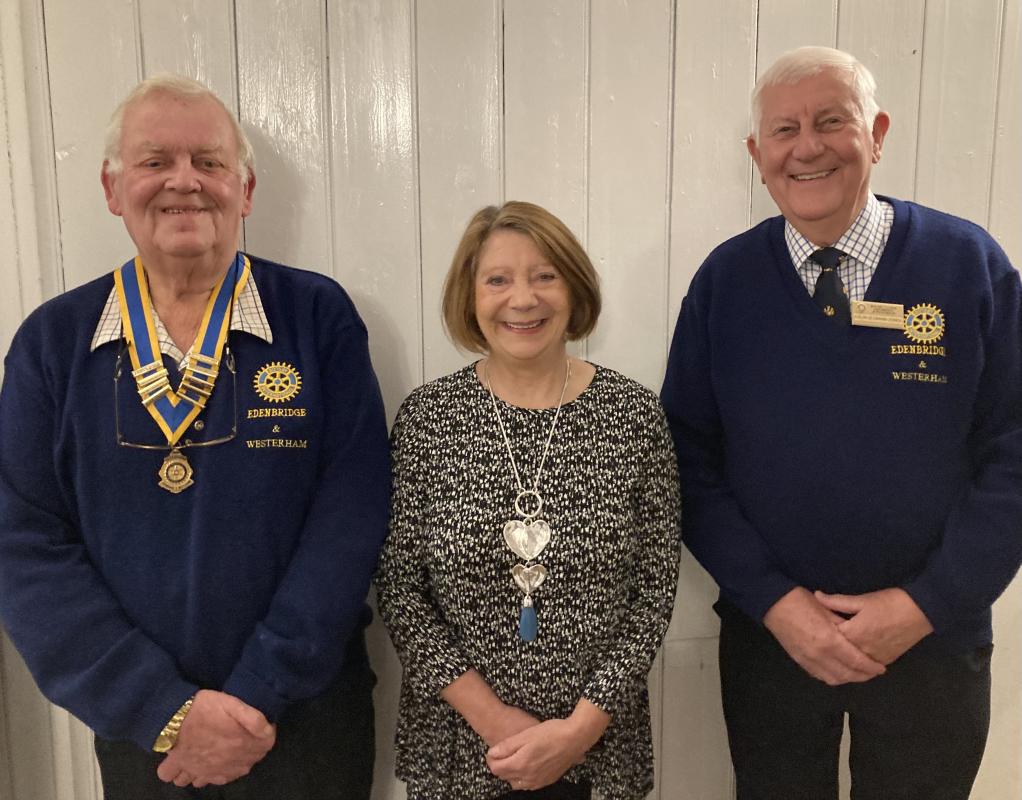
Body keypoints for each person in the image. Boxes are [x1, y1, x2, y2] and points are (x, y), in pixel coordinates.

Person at [0, 74, 390, 798]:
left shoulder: (315, 317)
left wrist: (256, 694)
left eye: (209, 162)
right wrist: (164, 709)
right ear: (113, 188)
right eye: (155, 162)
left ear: (244, 191)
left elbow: (353, 513)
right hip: (144, 730)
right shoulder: (51, 343)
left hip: (306, 717)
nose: (185, 182)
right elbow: (24, 544)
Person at [661, 45, 1022, 799]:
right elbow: (688, 460)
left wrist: (926, 604)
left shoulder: (969, 267)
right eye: (784, 130)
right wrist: (777, 604)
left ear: (877, 133)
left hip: (935, 638)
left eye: (832, 121)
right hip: (774, 641)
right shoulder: (725, 283)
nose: (808, 147)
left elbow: (1014, 451)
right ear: (757, 155)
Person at [375, 201, 681, 800]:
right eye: (498, 279)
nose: (523, 299)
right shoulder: (428, 420)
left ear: (574, 289)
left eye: (545, 275)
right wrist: (497, 722)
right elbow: (399, 588)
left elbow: (654, 589)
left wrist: (577, 732)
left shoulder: (634, 417)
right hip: (461, 745)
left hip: (599, 747)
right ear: (471, 296)